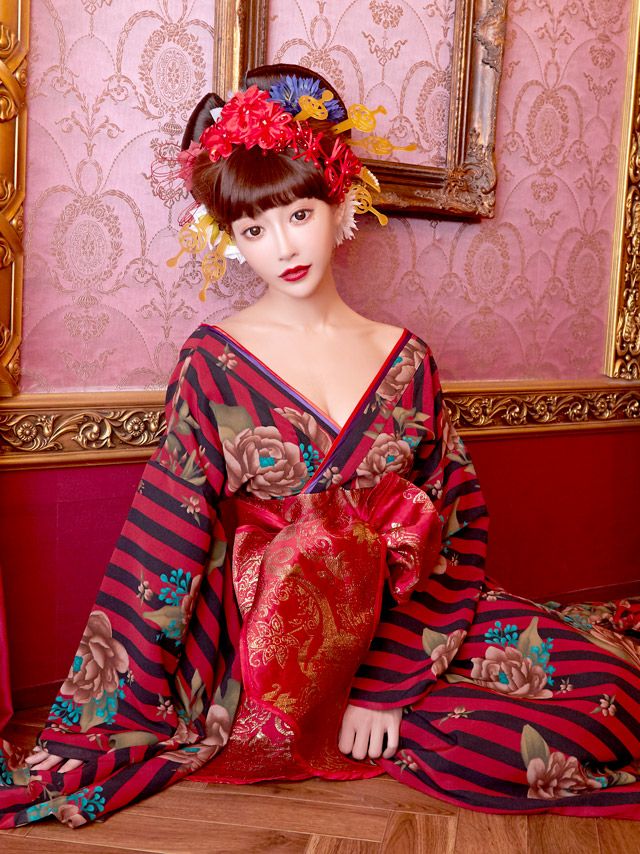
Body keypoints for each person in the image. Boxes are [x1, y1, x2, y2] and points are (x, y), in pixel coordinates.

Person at [2, 63, 640, 830]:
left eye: (299, 213)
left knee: (609, 698)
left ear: (340, 203)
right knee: (523, 749)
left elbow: (457, 523)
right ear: (232, 241)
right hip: (278, 643)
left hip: (405, 627)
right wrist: (115, 706)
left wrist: (387, 683)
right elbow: (164, 539)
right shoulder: (212, 362)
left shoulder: (407, 359)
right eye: (253, 229)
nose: (282, 246)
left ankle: (397, 698)